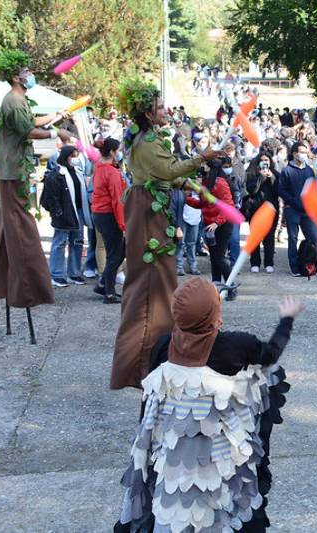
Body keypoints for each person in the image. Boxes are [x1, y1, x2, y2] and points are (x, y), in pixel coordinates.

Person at [114, 276, 303, 532]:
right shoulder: (236, 346)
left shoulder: (162, 346)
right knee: (221, 508)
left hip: (172, 456)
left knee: (174, 507)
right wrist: (287, 320)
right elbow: (270, 355)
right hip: (220, 457)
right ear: (215, 315)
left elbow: (151, 403)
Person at [110, 77, 221, 390]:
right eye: (160, 107)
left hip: (152, 204)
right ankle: (141, 365)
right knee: (150, 287)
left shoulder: (148, 138)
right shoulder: (146, 142)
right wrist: (203, 157)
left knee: (161, 283)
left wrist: (189, 185)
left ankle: (157, 358)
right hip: (147, 210)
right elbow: (169, 171)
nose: (166, 110)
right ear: (148, 114)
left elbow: (163, 175)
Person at [0, 49, 72, 315]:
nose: (30, 74)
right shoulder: (12, 100)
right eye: (26, 72)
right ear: (15, 77)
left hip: (15, 169)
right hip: (11, 171)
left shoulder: (19, 100)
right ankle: (27, 282)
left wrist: (56, 115)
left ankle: (11, 280)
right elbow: (28, 130)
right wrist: (56, 131)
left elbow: (32, 120)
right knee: (18, 223)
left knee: (15, 222)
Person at [41, 146, 92, 287]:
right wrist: (57, 212)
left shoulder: (77, 172)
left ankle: (74, 273)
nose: (75, 159)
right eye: (72, 156)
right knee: (60, 243)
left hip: (78, 212)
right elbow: (49, 197)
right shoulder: (56, 174)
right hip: (63, 214)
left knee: (77, 242)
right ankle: (56, 274)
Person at [187, 159, 235, 285]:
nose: (202, 167)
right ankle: (216, 284)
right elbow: (203, 203)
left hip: (222, 225)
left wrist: (217, 222)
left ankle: (231, 286)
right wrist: (187, 199)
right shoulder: (206, 182)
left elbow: (228, 206)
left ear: (210, 168)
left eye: (205, 165)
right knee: (214, 258)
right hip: (210, 226)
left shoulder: (220, 183)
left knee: (219, 258)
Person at [91, 139, 127, 303]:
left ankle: (103, 284)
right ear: (112, 152)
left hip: (100, 214)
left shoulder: (99, 167)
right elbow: (117, 201)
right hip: (108, 215)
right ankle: (109, 293)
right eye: (118, 150)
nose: (119, 153)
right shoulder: (111, 172)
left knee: (117, 252)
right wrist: (122, 224)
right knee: (115, 254)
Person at [278, 142, 317, 276]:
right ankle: (295, 267)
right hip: (293, 210)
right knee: (293, 238)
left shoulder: (309, 170)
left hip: (308, 211)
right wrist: (294, 201)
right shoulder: (287, 170)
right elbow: (281, 190)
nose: (304, 154)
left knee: (313, 238)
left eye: (305, 151)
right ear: (295, 153)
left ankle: (312, 264)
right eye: (301, 151)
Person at [243, 153, 280, 274]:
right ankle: (255, 263)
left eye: (267, 160)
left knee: (269, 238)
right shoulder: (251, 174)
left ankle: (269, 263)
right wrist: (260, 177)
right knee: (255, 237)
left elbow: (279, 190)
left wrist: (271, 177)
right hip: (255, 210)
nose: (264, 162)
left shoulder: (275, 173)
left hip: (271, 210)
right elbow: (251, 190)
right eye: (262, 160)